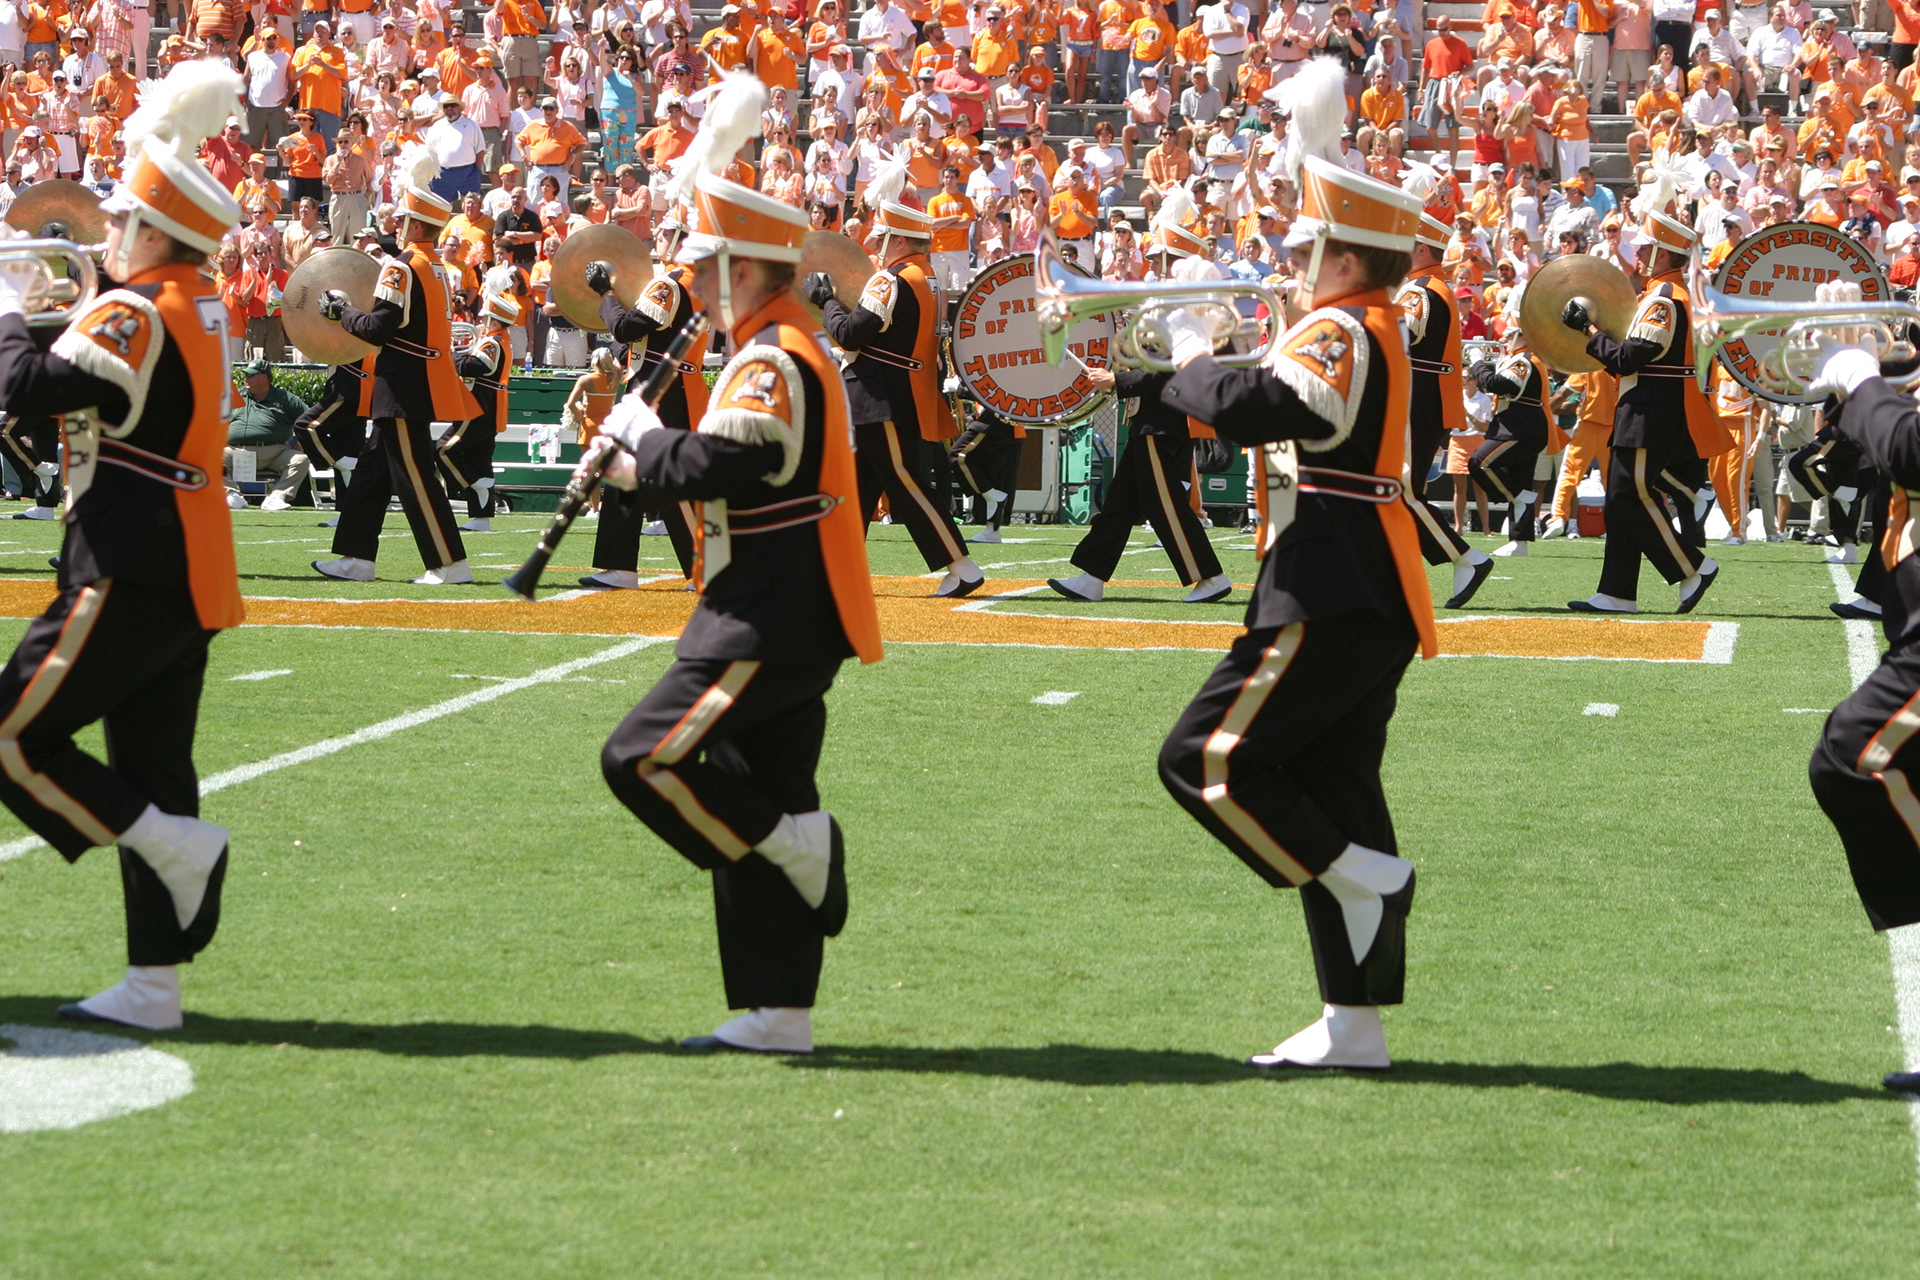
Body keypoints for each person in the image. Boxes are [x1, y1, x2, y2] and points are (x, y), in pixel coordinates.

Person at [1150, 61, 1434, 1071]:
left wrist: (1190, 354)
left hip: (1329, 580)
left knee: (1204, 759)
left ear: (1342, 252)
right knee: (1329, 780)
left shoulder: (1347, 324)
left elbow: (1261, 411)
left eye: (1308, 244)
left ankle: (1369, 877)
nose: (1294, 259)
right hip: (1362, 579)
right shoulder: (1369, 325)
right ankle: (1353, 1022)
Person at [595, 75, 884, 1055]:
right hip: (779, 601)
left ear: (746, 270)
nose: (699, 287)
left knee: (644, 757)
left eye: (711, 267)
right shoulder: (770, 343)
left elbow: (731, 461)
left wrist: (641, 448)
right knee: (758, 779)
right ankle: (777, 1009)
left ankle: (795, 852)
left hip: (769, 610)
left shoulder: (772, 353)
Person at [0, 62, 248, 1032]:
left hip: (131, 556)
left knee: (14, 733)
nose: (101, 236)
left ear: (152, 230)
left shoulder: (137, 307)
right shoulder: (200, 303)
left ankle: (170, 848)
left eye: (115, 224)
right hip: (185, 558)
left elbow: (27, 390)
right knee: (152, 764)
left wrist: (11, 308)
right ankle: (155, 983)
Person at [806, 158, 986, 598]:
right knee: (857, 489)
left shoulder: (891, 279)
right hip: (892, 393)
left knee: (905, 483)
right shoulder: (926, 277)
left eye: (883, 239)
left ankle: (961, 564)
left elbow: (851, 331)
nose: (877, 248)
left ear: (901, 240)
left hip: (879, 396)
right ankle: (833, 570)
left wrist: (826, 299)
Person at [1559, 165, 1727, 613]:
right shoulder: (1660, 294)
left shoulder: (1665, 299)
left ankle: (1692, 568)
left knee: (1630, 497)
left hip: (1650, 412)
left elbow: (1630, 358)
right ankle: (1617, 591)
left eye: (1649, 249)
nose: (1640, 255)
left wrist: (1589, 331)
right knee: (1620, 501)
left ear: (1666, 256)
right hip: (1643, 410)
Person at [311, 145, 481, 585]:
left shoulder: (402, 268)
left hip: (402, 386)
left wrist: (341, 312)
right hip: (412, 382)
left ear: (413, 223)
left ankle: (448, 563)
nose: (397, 224)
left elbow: (379, 328)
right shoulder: (436, 266)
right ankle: (355, 557)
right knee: (371, 472)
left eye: (403, 218)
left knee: (416, 478)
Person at [582, 212, 710, 585]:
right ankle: (619, 566)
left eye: (668, 231)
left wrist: (606, 293)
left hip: (665, 390)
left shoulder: (671, 284)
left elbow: (625, 327)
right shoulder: (689, 282)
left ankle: (707, 567)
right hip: (663, 386)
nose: (659, 235)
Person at [1397, 196, 1495, 606]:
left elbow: (1396, 338)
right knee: (1401, 493)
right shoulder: (1431, 286)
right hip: (1424, 401)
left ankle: (1465, 557)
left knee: (1402, 492)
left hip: (1417, 402)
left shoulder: (1421, 290)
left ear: (1422, 248)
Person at [436, 290, 516, 533]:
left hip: (480, 403)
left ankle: (473, 483)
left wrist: (452, 359)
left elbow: (477, 366)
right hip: (488, 403)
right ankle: (481, 518)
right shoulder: (499, 339)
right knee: (478, 458)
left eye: (485, 319)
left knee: (443, 449)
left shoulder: (494, 341)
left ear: (495, 320)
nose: (481, 323)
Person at [1468, 330, 1552, 557]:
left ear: (1525, 336)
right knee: (1521, 479)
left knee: (1480, 462)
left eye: (1510, 334)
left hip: (1520, 429)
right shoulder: (1519, 358)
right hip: (1519, 427)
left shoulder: (1524, 359)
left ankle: (1519, 498)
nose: (1503, 338)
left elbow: (1498, 384)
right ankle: (1519, 541)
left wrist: (1477, 361)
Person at [228, 357, 312, 512]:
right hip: (236, 451)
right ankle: (232, 495)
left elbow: (309, 420)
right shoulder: (236, 396)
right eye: (246, 374)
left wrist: (300, 441)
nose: (246, 378)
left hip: (276, 452)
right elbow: (216, 419)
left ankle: (277, 497)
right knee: (212, 457)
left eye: (251, 375)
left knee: (300, 460)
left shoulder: (286, 399)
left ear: (265, 378)